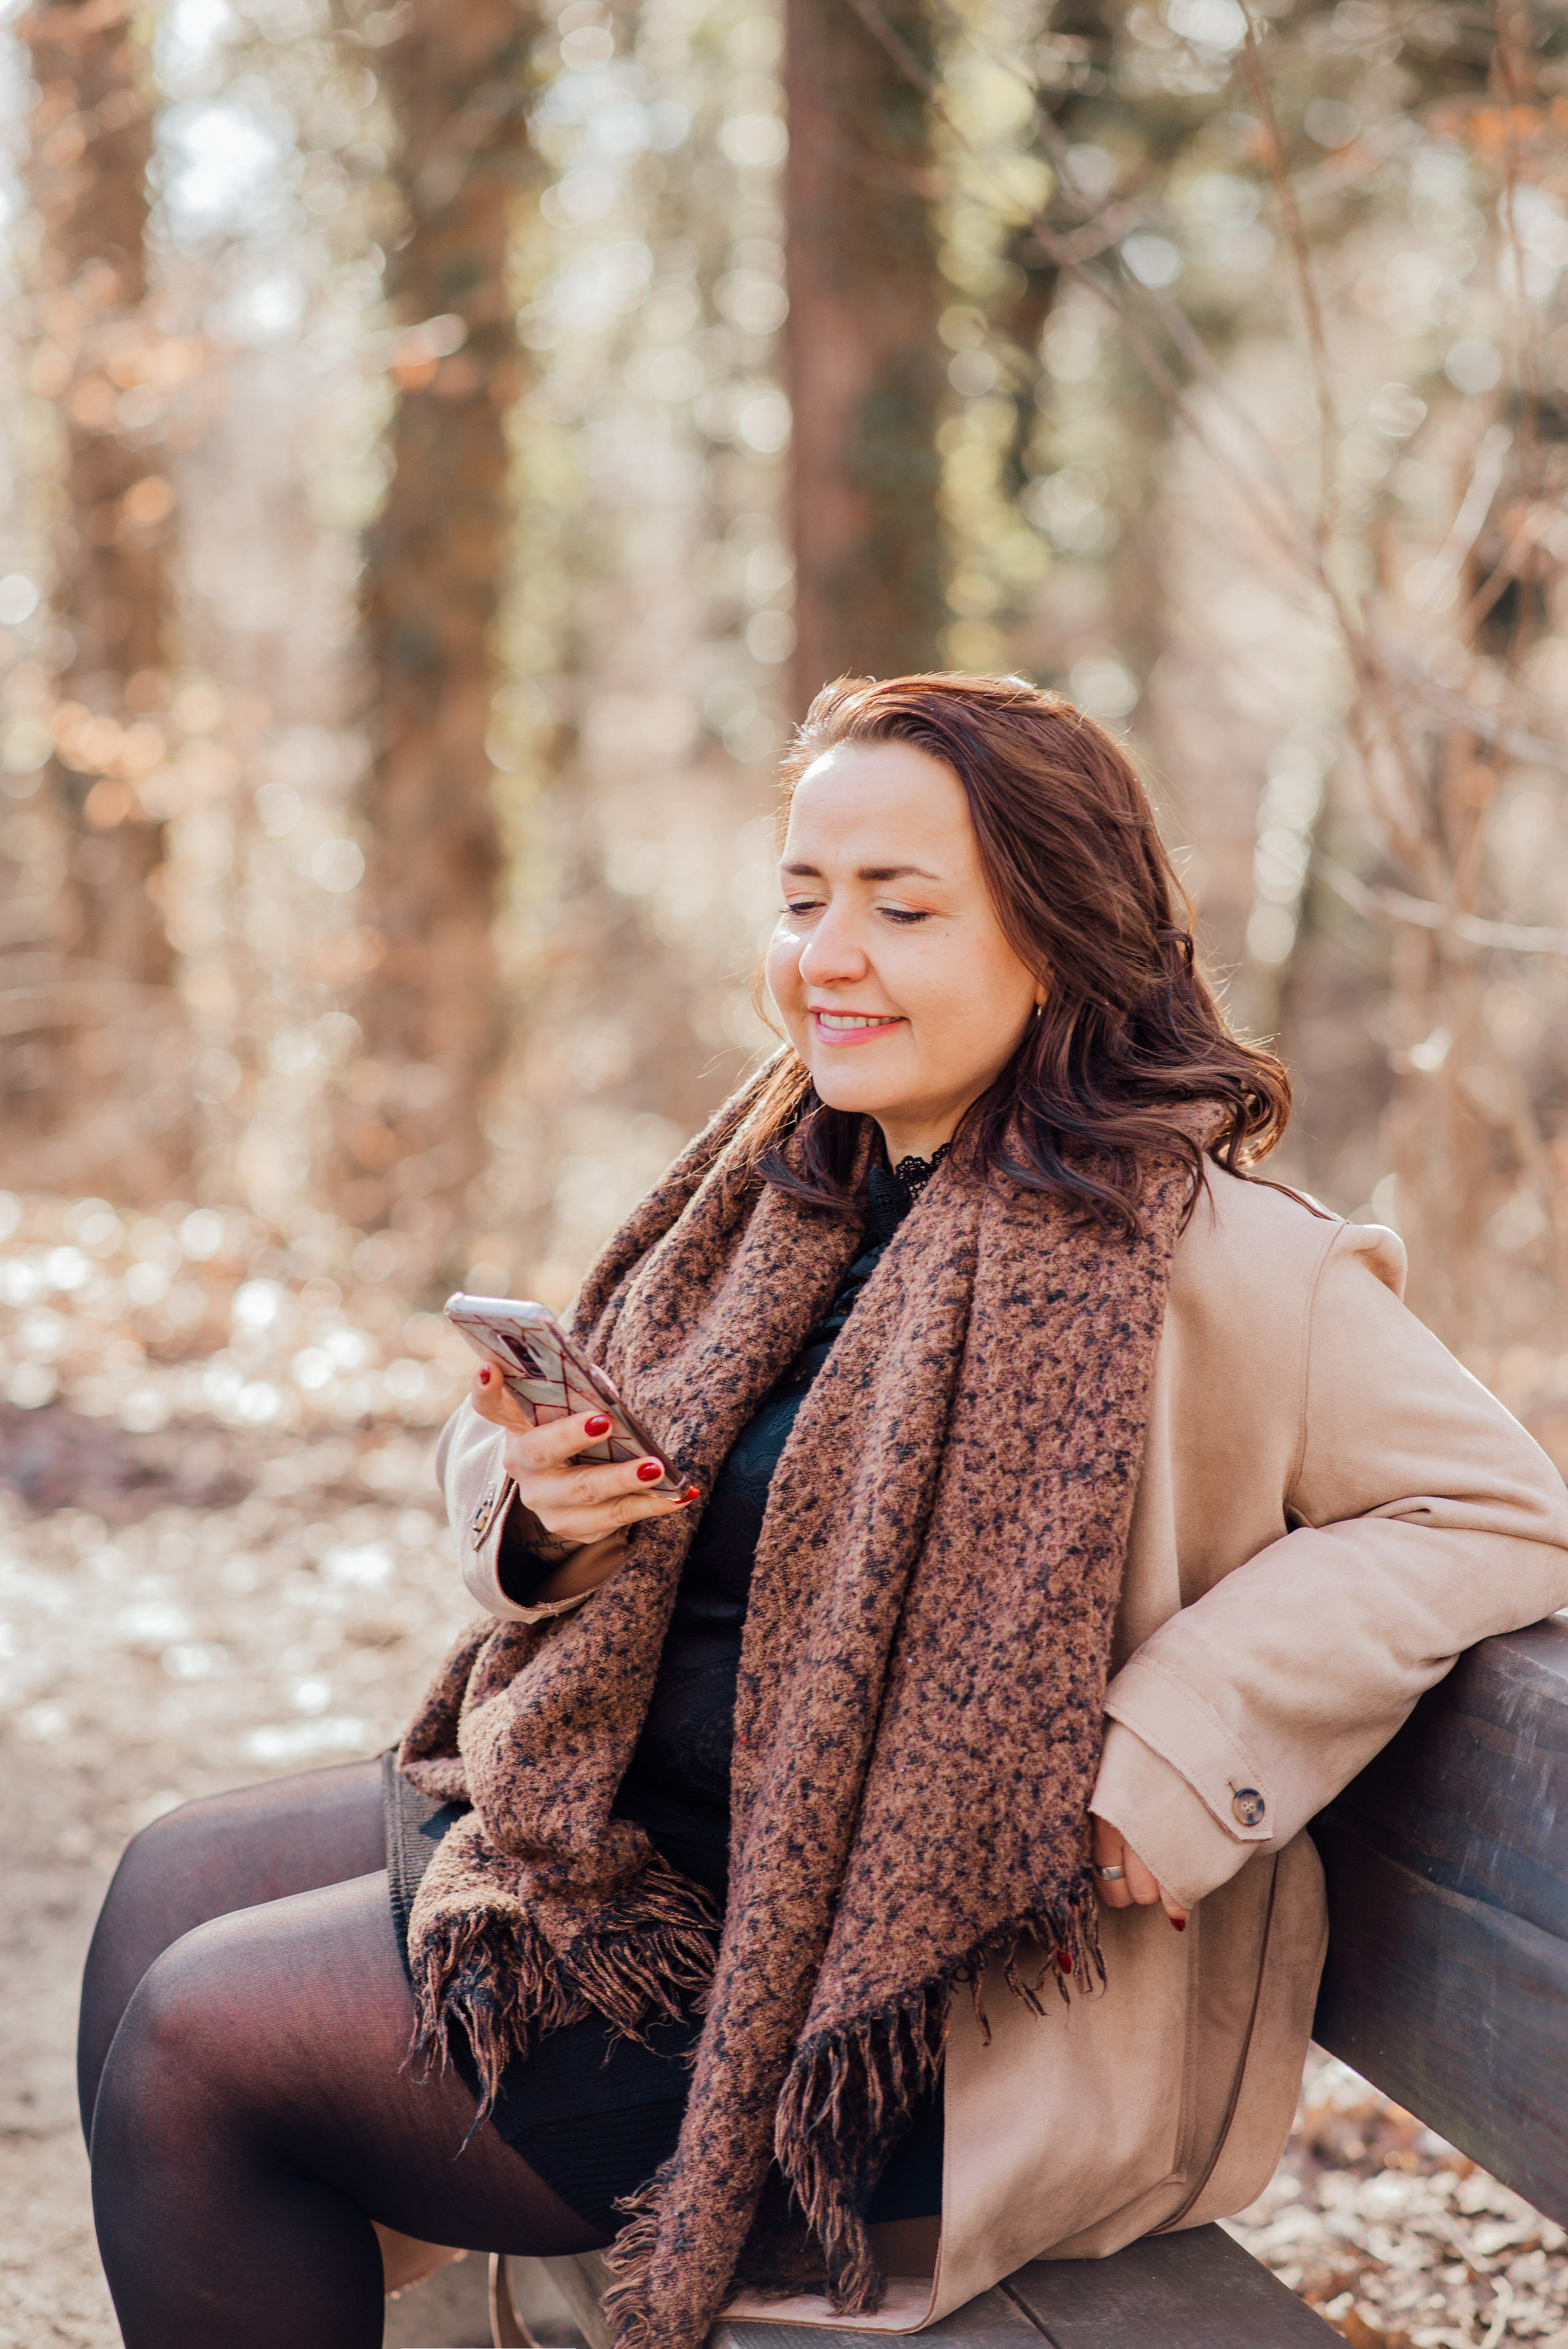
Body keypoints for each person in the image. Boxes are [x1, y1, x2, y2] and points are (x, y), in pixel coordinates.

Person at [80, 673, 1568, 2349]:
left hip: (909, 2005)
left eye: (901, 906)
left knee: (203, 2048)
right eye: (803, 897)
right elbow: (556, 1446)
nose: (826, 953)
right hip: (666, 1862)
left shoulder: (1220, 1258)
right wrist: (546, 1511)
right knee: (161, 1889)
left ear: (1060, 936)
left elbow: (1498, 1509)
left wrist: (1175, 1745)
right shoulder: (787, 1174)